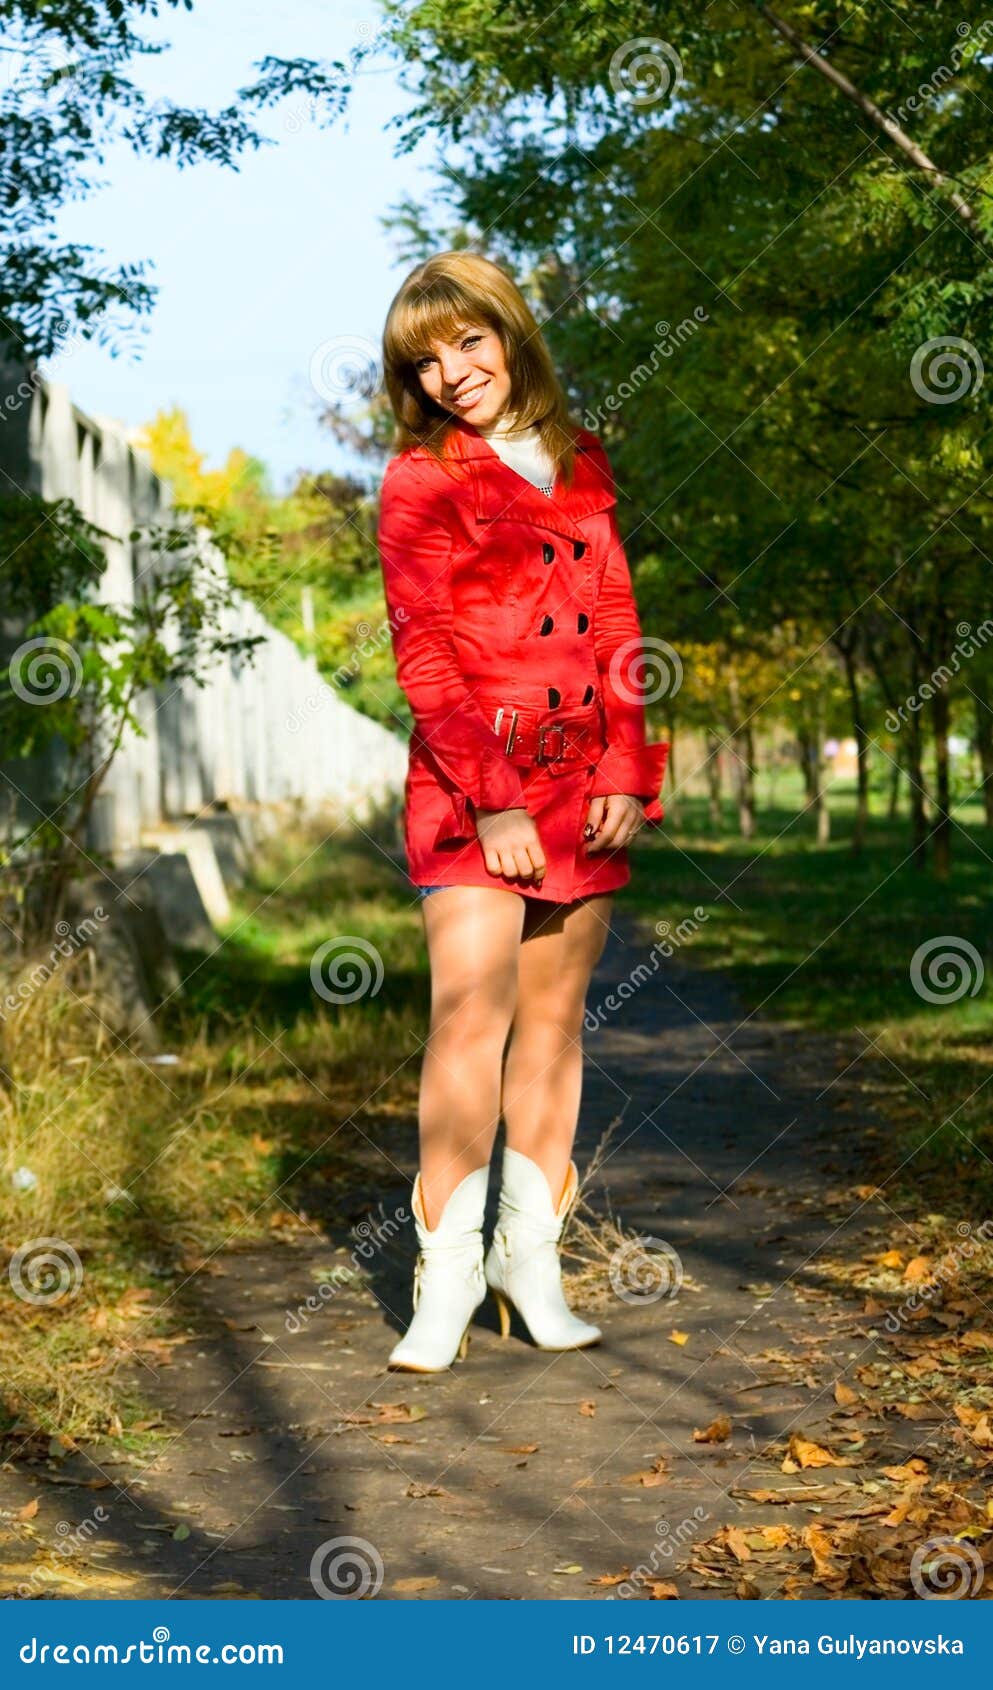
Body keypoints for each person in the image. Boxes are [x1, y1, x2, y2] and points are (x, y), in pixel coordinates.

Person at [376, 250, 669, 1371]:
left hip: (583, 780)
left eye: (470, 341)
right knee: (470, 1016)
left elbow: (615, 618)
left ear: (508, 333)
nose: (453, 371)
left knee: (553, 1026)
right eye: (426, 360)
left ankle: (527, 1262)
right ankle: (441, 1282)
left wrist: (626, 772)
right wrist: (491, 800)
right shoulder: (419, 480)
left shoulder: (579, 459)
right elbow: (425, 651)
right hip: (470, 784)